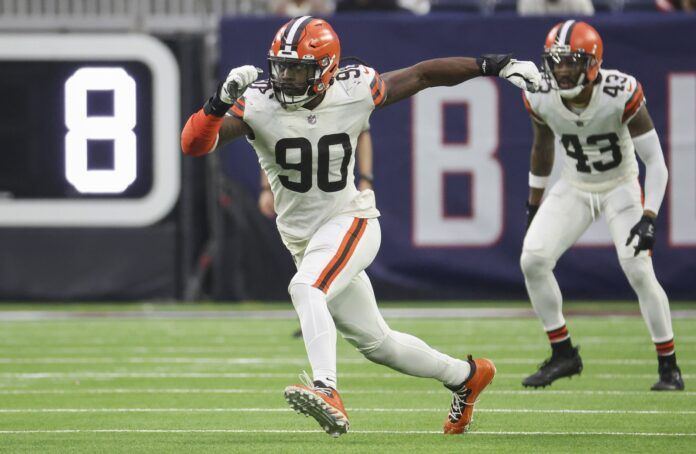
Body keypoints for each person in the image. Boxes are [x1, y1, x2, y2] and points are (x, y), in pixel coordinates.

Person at [181, 16, 541, 436]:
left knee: (305, 287)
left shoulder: (354, 89)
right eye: (281, 67)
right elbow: (194, 144)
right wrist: (217, 103)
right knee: (379, 345)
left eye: (298, 69)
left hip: (349, 220)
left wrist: (494, 65)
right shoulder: (259, 103)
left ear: (327, 70)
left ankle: (326, 388)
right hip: (304, 240)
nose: (286, 78)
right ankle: (467, 375)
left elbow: (423, 74)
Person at [520, 20, 684, 391]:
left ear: (592, 63)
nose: (561, 70)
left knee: (638, 269)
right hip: (575, 184)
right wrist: (534, 204)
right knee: (533, 259)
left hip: (620, 185)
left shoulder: (619, 91)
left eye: (570, 61)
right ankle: (563, 353)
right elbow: (542, 147)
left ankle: (669, 367)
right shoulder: (540, 93)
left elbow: (655, 162)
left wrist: (650, 216)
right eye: (555, 61)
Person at [259, 129, 375, 339]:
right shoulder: (272, 105)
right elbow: (268, 141)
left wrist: (366, 176)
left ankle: (319, 326)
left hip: (335, 209)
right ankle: (315, 316)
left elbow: (363, 130)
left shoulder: (346, 99)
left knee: (309, 286)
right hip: (298, 211)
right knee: (307, 279)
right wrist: (267, 187)